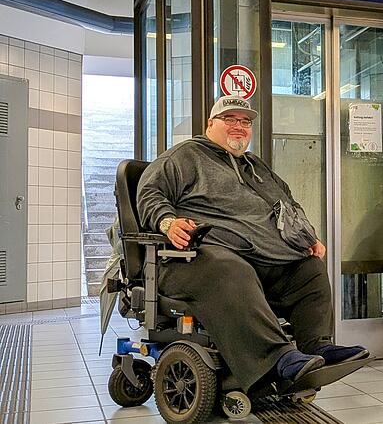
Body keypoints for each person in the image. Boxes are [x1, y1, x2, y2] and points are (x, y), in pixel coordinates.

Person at [136, 95, 368, 394]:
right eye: (230, 119)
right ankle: (279, 358)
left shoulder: (255, 167)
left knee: (308, 269)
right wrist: (167, 222)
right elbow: (149, 192)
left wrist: (307, 236)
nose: (239, 127)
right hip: (194, 260)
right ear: (210, 123)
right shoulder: (185, 156)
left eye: (245, 122)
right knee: (232, 269)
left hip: (260, 259)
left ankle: (317, 346)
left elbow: (288, 204)